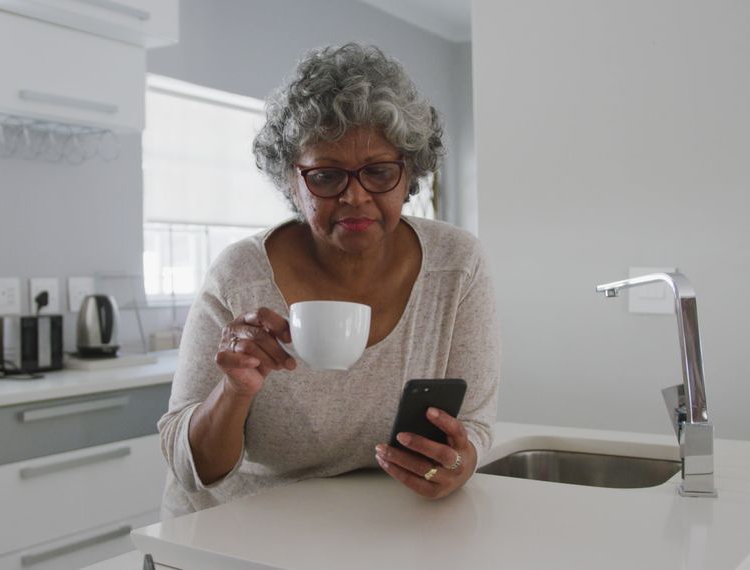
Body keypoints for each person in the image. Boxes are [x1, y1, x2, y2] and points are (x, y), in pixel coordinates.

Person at [157, 43, 500, 519]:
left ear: (410, 174)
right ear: (291, 181)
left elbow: (475, 428)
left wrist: (460, 464)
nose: (354, 197)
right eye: (325, 176)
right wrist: (234, 392)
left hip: (374, 532)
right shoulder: (241, 276)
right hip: (235, 533)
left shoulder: (456, 264)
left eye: (378, 172)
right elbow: (189, 466)